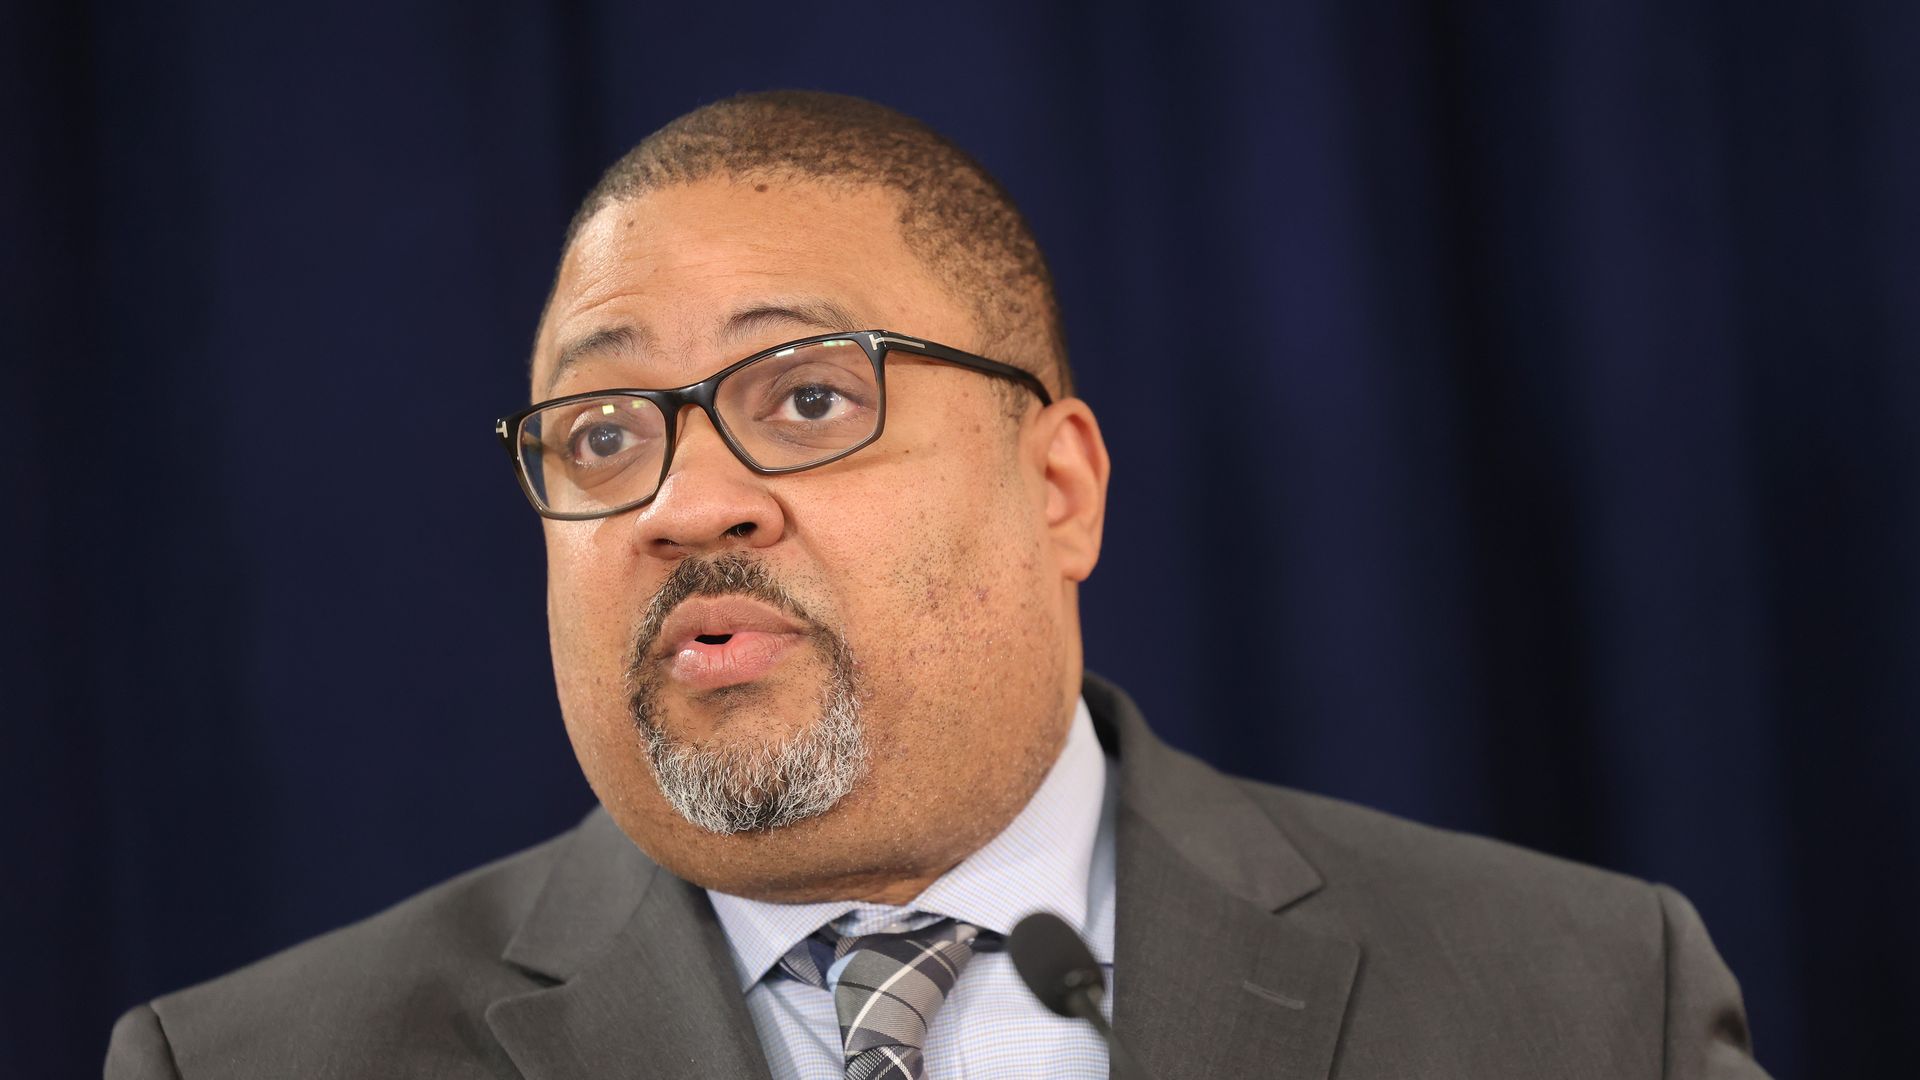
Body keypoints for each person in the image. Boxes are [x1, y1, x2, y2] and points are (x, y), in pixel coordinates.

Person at [105, 91, 1769, 1079]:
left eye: (809, 399)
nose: (687, 501)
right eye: (604, 431)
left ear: (1058, 489)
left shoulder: (1578, 998)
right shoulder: (254, 1066)